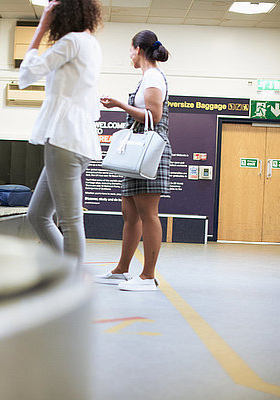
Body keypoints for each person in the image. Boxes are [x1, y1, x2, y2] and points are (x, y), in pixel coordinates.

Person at [19, 0, 102, 269]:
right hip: (77, 139)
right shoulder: (90, 44)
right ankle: (65, 271)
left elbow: (29, 72)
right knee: (38, 215)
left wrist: (42, 25)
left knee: (70, 220)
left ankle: (73, 285)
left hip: (64, 139)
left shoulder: (72, 42)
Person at [96, 30, 171, 291]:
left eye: (130, 50)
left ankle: (148, 276)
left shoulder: (153, 77)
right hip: (137, 153)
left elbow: (154, 115)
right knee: (130, 212)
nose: (129, 55)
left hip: (148, 152)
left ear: (138, 49)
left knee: (148, 213)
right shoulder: (146, 78)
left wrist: (120, 104)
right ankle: (122, 269)